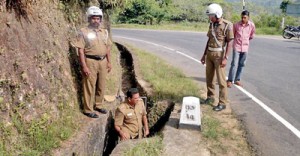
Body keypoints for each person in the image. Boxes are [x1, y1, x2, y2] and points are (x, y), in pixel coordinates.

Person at [73, 6, 112, 118]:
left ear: (101, 19)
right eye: (94, 18)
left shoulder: (104, 32)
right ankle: (87, 109)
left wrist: (109, 62)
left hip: (103, 61)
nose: (96, 21)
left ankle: (98, 105)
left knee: (101, 85)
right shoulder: (83, 32)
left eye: (98, 18)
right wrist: (84, 66)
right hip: (90, 61)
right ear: (89, 19)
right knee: (89, 85)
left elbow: (108, 48)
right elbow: (80, 50)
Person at [200, 3, 234, 111]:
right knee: (209, 78)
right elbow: (209, 40)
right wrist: (204, 54)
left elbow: (230, 42)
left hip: (219, 56)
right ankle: (210, 97)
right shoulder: (211, 25)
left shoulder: (227, 25)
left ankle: (222, 102)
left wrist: (226, 58)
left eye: (211, 15)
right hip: (210, 53)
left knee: (221, 81)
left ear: (217, 14)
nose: (210, 17)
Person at [227, 10, 255, 88]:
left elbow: (251, 35)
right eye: (242, 17)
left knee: (242, 64)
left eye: (245, 17)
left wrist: (245, 41)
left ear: (248, 18)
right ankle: (229, 80)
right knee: (234, 64)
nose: (243, 19)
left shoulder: (251, 25)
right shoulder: (236, 25)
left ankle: (237, 80)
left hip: (245, 48)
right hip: (237, 47)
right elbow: (233, 35)